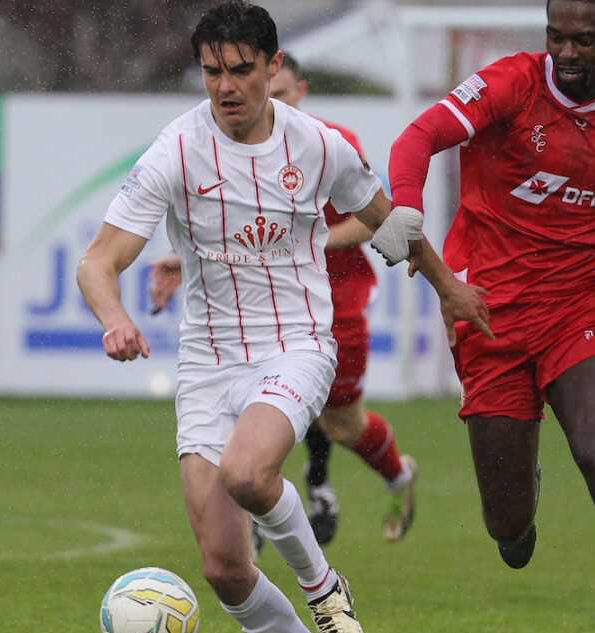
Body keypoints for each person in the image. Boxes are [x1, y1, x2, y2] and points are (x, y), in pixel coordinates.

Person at [77, 4, 487, 633]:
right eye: (213, 72)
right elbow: (98, 261)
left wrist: (448, 287)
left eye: (241, 70)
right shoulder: (175, 150)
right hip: (207, 363)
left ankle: (325, 591)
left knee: (247, 473)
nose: (226, 87)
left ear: (274, 67)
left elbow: (387, 221)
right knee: (224, 566)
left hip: (294, 344)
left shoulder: (317, 143)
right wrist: (115, 319)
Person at [378, 1, 595, 633]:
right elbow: (417, 138)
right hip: (487, 313)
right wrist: (407, 209)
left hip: (579, 308)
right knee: (509, 529)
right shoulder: (510, 85)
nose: (568, 51)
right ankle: (521, 493)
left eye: (584, 40)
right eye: (557, 36)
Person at [149, 53, 418, 546]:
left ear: (302, 94)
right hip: (259, 314)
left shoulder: (327, 144)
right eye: (266, 93)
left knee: (341, 423)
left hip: (337, 307)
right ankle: (261, 517)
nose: (272, 102)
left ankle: (398, 475)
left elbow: (376, 216)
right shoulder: (226, 149)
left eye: (283, 93)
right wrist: (180, 259)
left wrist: (312, 240)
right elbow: (232, 232)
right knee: (241, 407)